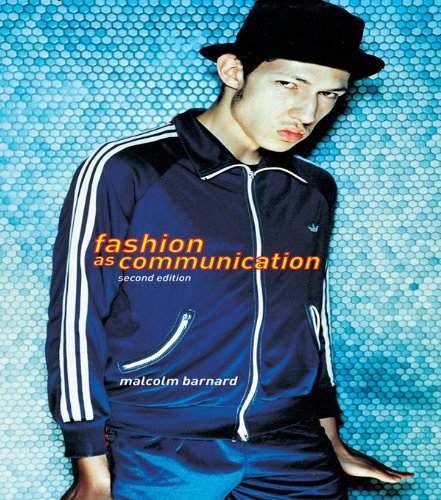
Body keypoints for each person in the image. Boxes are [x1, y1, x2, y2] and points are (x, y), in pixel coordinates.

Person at [46, 0, 414, 498]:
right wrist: (90, 464)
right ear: (233, 71)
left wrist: (330, 437)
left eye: (329, 94)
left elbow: (310, 316)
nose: (308, 113)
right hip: (158, 444)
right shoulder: (131, 168)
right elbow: (77, 315)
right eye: (289, 84)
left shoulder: (311, 188)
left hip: (291, 442)